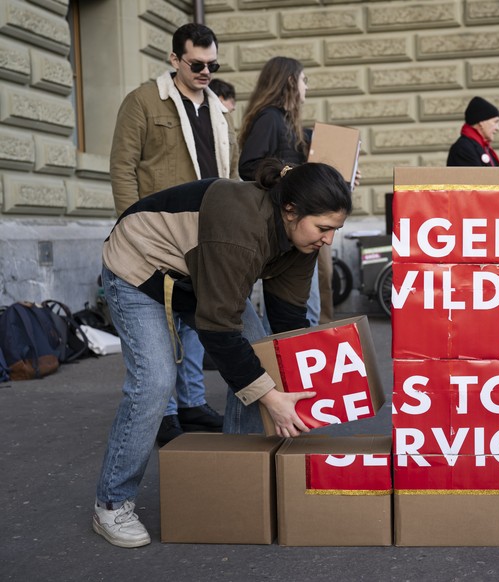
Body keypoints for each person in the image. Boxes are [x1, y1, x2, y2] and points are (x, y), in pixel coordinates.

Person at [92, 161, 352, 548]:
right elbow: (219, 330)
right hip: (140, 266)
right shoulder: (241, 232)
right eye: (324, 228)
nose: (328, 240)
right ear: (291, 210)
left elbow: (288, 321)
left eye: (335, 230)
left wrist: (305, 387)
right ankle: (112, 503)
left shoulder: (303, 240)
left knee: (262, 360)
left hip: (202, 273)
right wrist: (273, 399)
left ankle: (240, 478)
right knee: (155, 381)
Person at [109, 23, 238, 445]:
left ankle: (192, 402)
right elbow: (123, 166)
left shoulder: (218, 108)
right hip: (155, 235)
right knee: (160, 324)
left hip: (204, 233)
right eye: (197, 64)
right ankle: (164, 413)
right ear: (174, 59)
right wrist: (130, 226)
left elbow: (231, 172)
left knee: (197, 320)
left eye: (212, 65)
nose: (206, 72)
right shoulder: (144, 101)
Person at [237, 56, 331, 326]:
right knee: (299, 312)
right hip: (285, 224)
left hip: (297, 223)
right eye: (304, 80)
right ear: (290, 81)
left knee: (300, 310)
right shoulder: (270, 118)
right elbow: (249, 166)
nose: (306, 86)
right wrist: (289, 174)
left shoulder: (288, 123)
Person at [446, 96, 499, 166]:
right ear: (482, 123)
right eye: (495, 122)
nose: (498, 128)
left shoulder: (482, 147)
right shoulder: (463, 148)